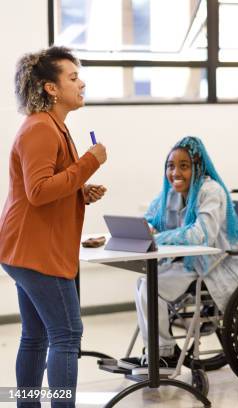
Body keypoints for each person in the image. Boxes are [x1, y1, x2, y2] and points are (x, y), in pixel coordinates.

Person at [0, 46, 107, 408]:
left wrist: (79, 191)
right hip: (37, 251)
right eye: (73, 78)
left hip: (24, 248)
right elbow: (39, 191)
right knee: (66, 334)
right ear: (51, 88)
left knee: (35, 336)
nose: (82, 83)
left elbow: (50, 185)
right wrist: (90, 164)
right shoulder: (41, 129)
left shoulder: (51, 127)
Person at [120, 136, 238, 370]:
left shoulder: (211, 191)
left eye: (184, 166)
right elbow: (152, 219)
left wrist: (157, 237)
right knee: (143, 283)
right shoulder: (171, 191)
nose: (175, 172)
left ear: (198, 167)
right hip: (189, 264)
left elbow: (201, 235)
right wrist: (147, 228)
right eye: (171, 166)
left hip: (217, 266)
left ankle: (165, 352)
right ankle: (159, 349)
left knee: (151, 287)